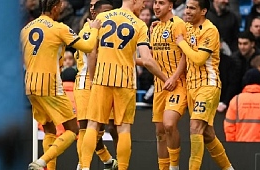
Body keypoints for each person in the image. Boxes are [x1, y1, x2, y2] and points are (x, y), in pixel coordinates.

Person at [80, 0, 170, 169]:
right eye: (142, 2)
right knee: (124, 129)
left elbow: (92, 51)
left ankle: (84, 167)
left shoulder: (102, 17)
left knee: (93, 125)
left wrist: (92, 78)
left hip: (102, 77)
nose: (144, 6)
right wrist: (166, 79)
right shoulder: (139, 25)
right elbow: (148, 60)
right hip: (125, 81)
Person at [20, 0, 101, 169]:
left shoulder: (25, 29)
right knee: (73, 130)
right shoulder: (59, 28)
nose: (62, 11)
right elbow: (87, 46)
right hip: (50, 85)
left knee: (49, 129)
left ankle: (48, 167)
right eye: (61, 8)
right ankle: (41, 161)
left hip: (29, 85)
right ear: (55, 7)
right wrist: (94, 29)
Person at [175, 0, 234, 169]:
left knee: (195, 127)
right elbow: (172, 25)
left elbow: (199, 59)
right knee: (207, 134)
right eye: (186, 7)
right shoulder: (187, 27)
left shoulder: (210, 30)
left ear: (203, 11)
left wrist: (182, 43)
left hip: (208, 85)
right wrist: (158, 26)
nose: (187, 11)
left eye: (192, 8)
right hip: (191, 86)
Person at [74, 1, 118, 170]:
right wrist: (93, 82)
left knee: (105, 129)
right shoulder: (88, 30)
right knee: (85, 128)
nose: (92, 8)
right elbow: (92, 55)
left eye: (109, 12)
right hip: (87, 82)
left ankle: (110, 162)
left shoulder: (111, 30)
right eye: (91, 5)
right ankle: (82, 166)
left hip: (108, 83)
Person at [152, 0, 188, 170]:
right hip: (159, 86)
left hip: (178, 83)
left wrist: (174, 78)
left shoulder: (179, 25)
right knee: (160, 133)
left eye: (161, 3)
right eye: (154, 3)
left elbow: (185, 55)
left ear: (170, 6)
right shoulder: (155, 28)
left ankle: (175, 167)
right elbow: (151, 58)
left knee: (169, 124)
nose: (156, 6)